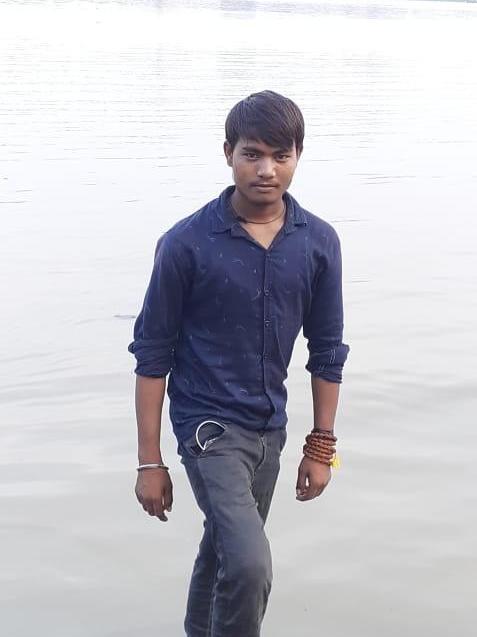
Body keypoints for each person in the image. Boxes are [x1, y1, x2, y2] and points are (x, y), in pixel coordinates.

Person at [127, 90, 350, 637]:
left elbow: (327, 349)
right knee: (250, 565)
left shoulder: (318, 243)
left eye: (280, 155)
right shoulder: (186, 244)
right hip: (206, 428)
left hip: (270, 427)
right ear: (228, 153)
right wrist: (149, 462)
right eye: (252, 154)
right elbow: (152, 354)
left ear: (298, 156)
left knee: (224, 554)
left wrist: (321, 446)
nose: (266, 170)